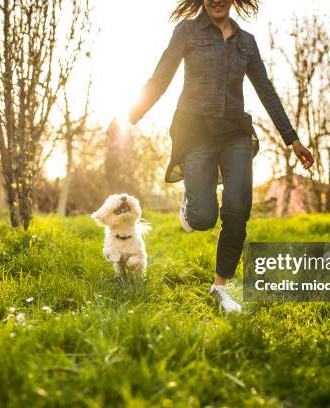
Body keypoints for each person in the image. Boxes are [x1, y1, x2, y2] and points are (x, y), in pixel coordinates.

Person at [107, 0, 314, 313]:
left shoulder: (246, 42)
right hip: (196, 132)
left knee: (238, 207)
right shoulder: (187, 31)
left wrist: (292, 139)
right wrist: (127, 117)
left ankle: (220, 286)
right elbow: (160, 78)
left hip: (235, 133)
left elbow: (266, 90)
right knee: (204, 218)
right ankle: (191, 205)